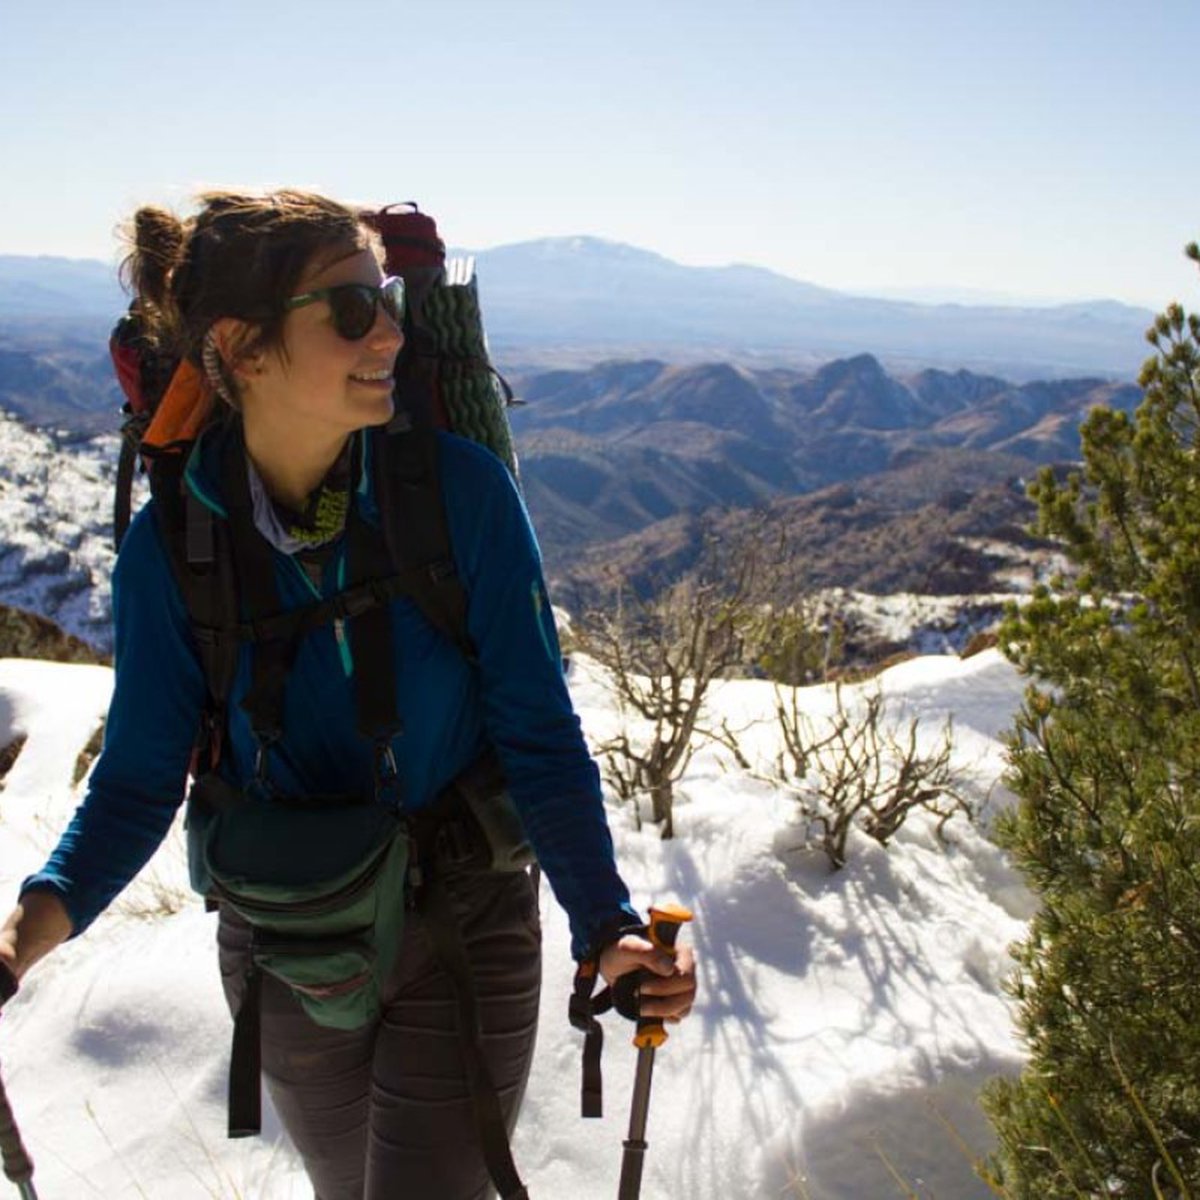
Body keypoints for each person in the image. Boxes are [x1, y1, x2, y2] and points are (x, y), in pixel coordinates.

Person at [0, 189, 696, 1200]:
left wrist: (608, 925)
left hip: (463, 923)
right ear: (241, 349)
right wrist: (18, 944)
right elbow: (139, 782)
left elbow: (538, 736)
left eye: (385, 299)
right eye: (351, 308)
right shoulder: (174, 551)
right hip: (289, 942)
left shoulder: (459, 495)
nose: (390, 329)